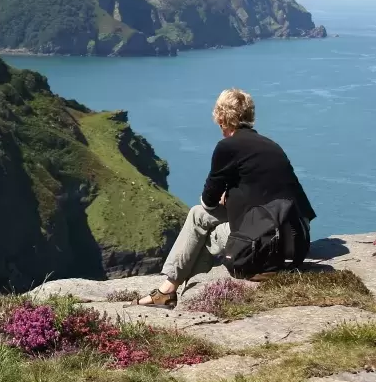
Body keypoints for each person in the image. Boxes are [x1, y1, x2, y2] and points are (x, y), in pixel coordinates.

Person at [134, 88, 316, 308]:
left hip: (262, 245)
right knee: (200, 218)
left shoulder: (227, 147)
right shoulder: (271, 145)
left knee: (199, 219)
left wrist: (225, 197)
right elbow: (288, 200)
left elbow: (208, 200)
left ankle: (168, 290)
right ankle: (176, 288)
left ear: (221, 117)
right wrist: (233, 197)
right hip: (293, 241)